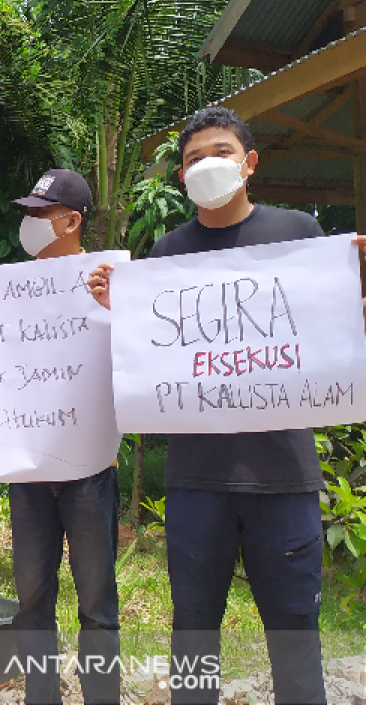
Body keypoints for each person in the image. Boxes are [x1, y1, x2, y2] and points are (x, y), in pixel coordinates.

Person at [88, 107, 329, 705]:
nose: (206, 165)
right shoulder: (167, 252)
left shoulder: (298, 232)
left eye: (220, 152)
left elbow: (332, 335)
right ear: (180, 177)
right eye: (193, 159)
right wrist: (121, 309)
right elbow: (153, 351)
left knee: (296, 643)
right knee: (194, 643)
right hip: (197, 482)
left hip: (284, 479)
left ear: (249, 163)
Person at [9, 169, 120, 705]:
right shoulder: (4, 289)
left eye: (39, 214)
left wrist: (119, 310)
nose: (29, 224)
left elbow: (145, 357)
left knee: (97, 604)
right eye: (27, 213)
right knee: (32, 601)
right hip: (29, 473)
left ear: (72, 221)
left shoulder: (110, 281)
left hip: (90, 471)